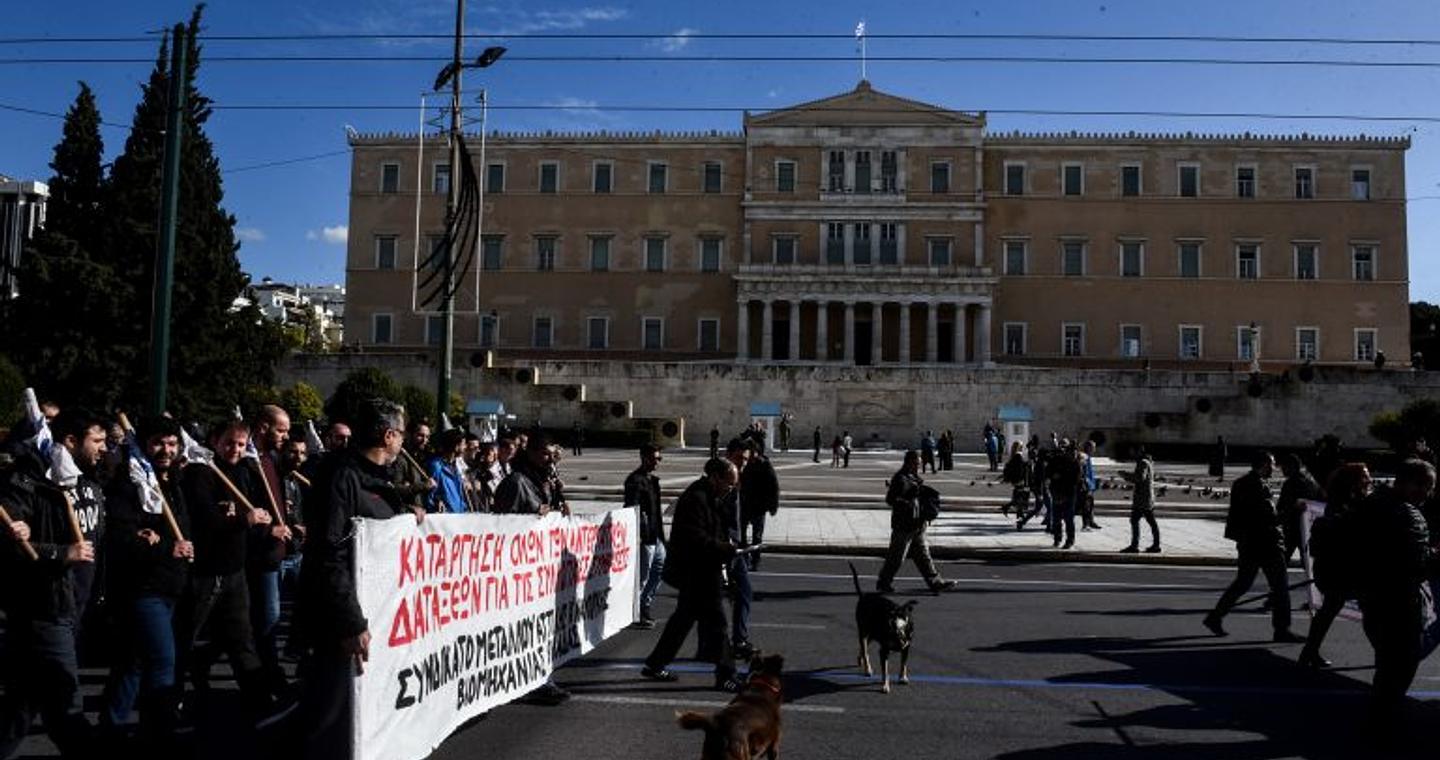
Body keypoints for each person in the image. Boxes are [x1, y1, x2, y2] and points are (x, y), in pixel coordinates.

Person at [292, 398, 423, 760]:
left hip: (372, 613)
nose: (403, 444)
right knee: (332, 716)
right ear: (388, 435)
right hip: (341, 623)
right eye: (401, 436)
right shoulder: (342, 477)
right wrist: (350, 621)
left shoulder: (374, 477)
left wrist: (404, 517)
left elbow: (376, 520)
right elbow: (328, 553)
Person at [0, 410, 105, 759]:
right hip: (44, 608)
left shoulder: (90, 482)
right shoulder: (28, 482)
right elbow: (14, 547)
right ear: (70, 442)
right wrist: (63, 553)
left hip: (75, 606)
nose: (104, 448)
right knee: (66, 708)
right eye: (97, 441)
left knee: (20, 705)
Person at [100, 416, 194, 745]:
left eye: (171, 443)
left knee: (132, 662)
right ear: (143, 445)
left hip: (171, 587)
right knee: (162, 663)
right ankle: (159, 737)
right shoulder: (129, 484)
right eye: (158, 443)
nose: (166, 450)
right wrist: (168, 547)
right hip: (142, 590)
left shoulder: (176, 482)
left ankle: (109, 730)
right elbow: (124, 540)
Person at [176, 421, 277, 717]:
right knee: (185, 636)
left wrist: (265, 528)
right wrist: (244, 521)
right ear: (214, 441)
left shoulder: (243, 472)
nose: (235, 450)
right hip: (205, 573)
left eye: (241, 444)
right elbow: (206, 522)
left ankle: (258, 700)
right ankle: (171, 698)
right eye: (229, 443)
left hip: (234, 571)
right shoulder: (200, 473)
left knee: (241, 638)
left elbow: (253, 519)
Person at [641, 458, 744, 692]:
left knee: (682, 620)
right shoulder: (696, 498)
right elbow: (694, 538)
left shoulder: (711, 496)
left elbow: (713, 530)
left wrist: (728, 545)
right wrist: (724, 548)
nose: (730, 489)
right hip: (698, 571)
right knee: (718, 625)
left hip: (703, 568)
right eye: (728, 484)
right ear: (715, 477)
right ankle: (726, 675)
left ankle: (655, 664)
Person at [1351, 459, 1438, 720]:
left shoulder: (1372, 503)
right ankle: (1382, 725)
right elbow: (1418, 565)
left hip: (1372, 597)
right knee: (1400, 668)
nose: (1428, 494)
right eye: (1426, 487)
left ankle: (1380, 719)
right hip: (1400, 603)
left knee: (1387, 665)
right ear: (1412, 483)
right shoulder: (1409, 515)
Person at [492, 434, 572, 706]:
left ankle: (540, 679)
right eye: (546, 454)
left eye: (552, 455)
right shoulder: (516, 483)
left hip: (540, 570)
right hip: (518, 571)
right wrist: (533, 514)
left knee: (541, 629)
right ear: (532, 454)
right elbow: (500, 527)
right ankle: (529, 682)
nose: (551, 459)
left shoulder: (542, 481)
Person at [1203, 451, 1305, 643]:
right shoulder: (1258, 486)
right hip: (1266, 544)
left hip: (1248, 543)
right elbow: (1272, 518)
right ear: (1264, 464)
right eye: (1272, 464)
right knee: (1280, 588)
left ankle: (1215, 616)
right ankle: (1282, 630)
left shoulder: (1241, 483)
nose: (1274, 469)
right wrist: (1294, 508)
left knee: (1242, 582)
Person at [1298, 463, 1372, 668]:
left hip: (1340, 569)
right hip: (1339, 570)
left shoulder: (1350, 501)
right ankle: (1309, 652)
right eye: (1365, 477)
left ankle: (1309, 652)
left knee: (1331, 610)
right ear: (1353, 481)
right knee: (1369, 610)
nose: (1369, 480)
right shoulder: (1344, 503)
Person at [247, 406, 297, 698]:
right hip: (260, 555)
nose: (286, 436)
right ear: (264, 427)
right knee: (268, 621)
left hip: (277, 552)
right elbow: (246, 511)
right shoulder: (248, 463)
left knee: (265, 621)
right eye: (281, 430)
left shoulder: (270, 460)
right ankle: (270, 678)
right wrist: (268, 531)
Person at [876, 451, 959, 594]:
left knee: (924, 556)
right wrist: (907, 500)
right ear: (908, 462)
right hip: (904, 526)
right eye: (916, 463)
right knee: (896, 558)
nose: (918, 466)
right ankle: (883, 582)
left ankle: (935, 582)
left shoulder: (914, 478)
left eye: (919, 464)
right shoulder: (900, 478)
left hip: (917, 524)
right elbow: (890, 500)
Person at [721, 439, 758, 658]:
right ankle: (736, 642)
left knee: (741, 594)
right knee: (739, 594)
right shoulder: (720, 482)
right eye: (739, 458)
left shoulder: (737, 480)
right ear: (729, 454)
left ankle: (735, 641)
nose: (743, 463)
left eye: (745, 459)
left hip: (735, 548)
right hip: (723, 549)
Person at [625, 445, 665, 628]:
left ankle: (644, 605)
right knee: (642, 577)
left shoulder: (653, 481)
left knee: (658, 572)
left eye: (659, 459)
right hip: (645, 537)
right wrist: (638, 531)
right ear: (644, 458)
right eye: (655, 458)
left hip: (657, 536)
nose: (657, 462)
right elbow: (631, 508)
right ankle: (636, 612)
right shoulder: (634, 480)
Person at [739, 443, 779, 571]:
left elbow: (774, 486)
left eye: (751, 452)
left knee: (757, 536)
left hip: (759, 506)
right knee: (742, 535)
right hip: (745, 504)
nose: (748, 455)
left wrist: (773, 506)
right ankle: (744, 559)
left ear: (756, 452)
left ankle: (755, 561)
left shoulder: (764, 465)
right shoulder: (744, 464)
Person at [1276, 453, 1323, 563]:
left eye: (1284, 467)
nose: (1282, 470)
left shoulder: (1290, 484)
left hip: (1292, 528)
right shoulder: (1310, 482)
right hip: (1307, 528)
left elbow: (1282, 506)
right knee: (1307, 561)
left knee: (1282, 562)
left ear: (1292, 467)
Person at [1120, 446, 1161, 553]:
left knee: (1137, 520)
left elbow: (1139, 478)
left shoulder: (1143, 462)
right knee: (1149, 521)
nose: (1132, 454)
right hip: (1146, 497)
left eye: (1134, 452)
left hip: (1143, 499)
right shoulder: (1146, 461)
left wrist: (1125, 475)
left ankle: (1135, 546)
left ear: (1139, 452)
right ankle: (1154, 545)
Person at [424, 428, 472, 513]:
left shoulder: (455, 467)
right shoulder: (436, 466)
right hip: (445, 520)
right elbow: (431, 495)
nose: (465, 447)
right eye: (463, 444)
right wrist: (437, 504)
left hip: (459, 518)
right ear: (456, 446)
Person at [1048, 442, 1084, 549]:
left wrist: (1060, 477)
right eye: (1071, 453)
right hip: (1057, 493)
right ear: (1067, 453)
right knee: (1056, 518)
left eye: (1075, 453)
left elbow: (1074, 481)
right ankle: (1057, 538)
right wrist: (1053, 476)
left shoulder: (1076, 465)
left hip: (1069, 494)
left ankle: (1070, 540)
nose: (1073, 455)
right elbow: (1049, 471)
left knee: (1069, 519)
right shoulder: (1058, 460)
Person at [1001, 442, 1029, 518]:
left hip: (1015, 480)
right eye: (1022, 446)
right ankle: (1015, 512)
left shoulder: (1014, 456)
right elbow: (1019, 469)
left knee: (1018, 497)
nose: (1023, 447)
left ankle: (1017, 512)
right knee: (1020, 497)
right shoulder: (1019, 456)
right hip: (1019, 480)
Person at [1079, 440, 1102, 531]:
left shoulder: (1088, 457)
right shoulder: (1083, 457)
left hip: (1091, 485)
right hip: (1086, 485)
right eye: (1093, 447)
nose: (1094, 449)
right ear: (1088, 447)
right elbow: (1083, 472)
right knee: (1086, 506)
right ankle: (1085, 525)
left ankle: (1091, 522)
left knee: (1090, 505)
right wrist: (1087, 483)